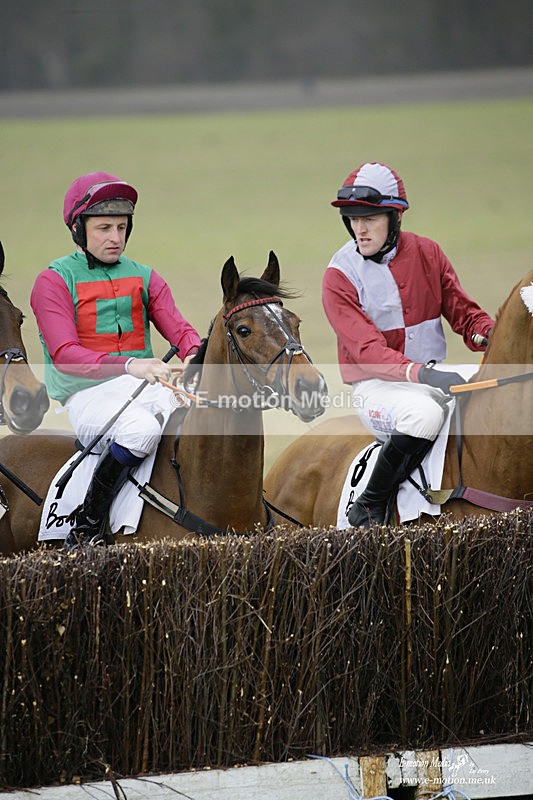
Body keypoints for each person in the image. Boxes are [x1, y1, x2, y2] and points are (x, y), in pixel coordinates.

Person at [31, 171, 202, 548]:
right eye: (104, 227)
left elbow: (180, 328)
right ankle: (88, 526)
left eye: (122, 227)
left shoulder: (144, 276)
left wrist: (193, 352)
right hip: (88, 396)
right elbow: (65, 355)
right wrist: (130, 365)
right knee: (140, 430)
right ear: (79, 230)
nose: (115, 238)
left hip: (145, 387)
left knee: (207, 414)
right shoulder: (53, 281)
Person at [322, 161, 494, 528]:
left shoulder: (429, 253)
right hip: (379, 387)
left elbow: (465, 314)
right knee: (425, 415)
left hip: (430, 376)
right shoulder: (339, 275)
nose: (359, 229)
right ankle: (370, 504)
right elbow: (366, 350)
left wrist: (493, 334)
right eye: (352, 219)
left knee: (502, 385)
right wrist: (422, 373)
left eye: (370, 218)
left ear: (395, 217)